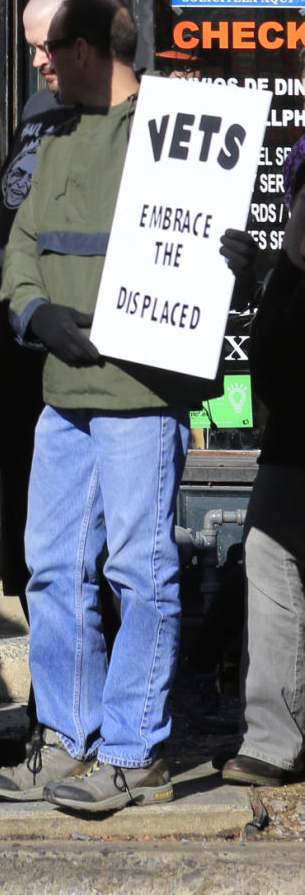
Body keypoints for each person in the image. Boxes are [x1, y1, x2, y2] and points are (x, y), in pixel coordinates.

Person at [0, 0, 206, 815]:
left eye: (49, 49)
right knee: (52, 568)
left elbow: (201, 240)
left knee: (139, 571)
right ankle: (69, 740)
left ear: (85, 48)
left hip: (141, 391)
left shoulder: (174, 129)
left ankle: (135, 751)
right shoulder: (57, 135)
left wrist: (230, 262)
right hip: (64, 395)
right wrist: (35, 311)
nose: (38, 61)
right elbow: (23, 245)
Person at [0, 0, 93, 610]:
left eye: (46, 47)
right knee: (31, 547)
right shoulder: (39, 108)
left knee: (80, 550)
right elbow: (15, 214)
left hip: (71, 356)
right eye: (31, 47)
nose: (37, 61)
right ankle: (47, 668)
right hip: (17, 358)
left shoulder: (122, 116)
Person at [221, 162, 305, 786]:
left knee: (273, 561)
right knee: (270, 559)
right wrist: (259, 279)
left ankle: (275, 739)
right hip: (293, 438)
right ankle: (273, 738)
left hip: (293, 435)